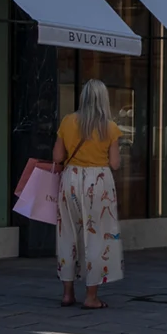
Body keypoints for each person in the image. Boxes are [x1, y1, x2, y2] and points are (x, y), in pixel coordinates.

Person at [54, 79, 123, 308]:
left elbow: (57, 157)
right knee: (96, 237)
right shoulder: (110, 128)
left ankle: (67, 293)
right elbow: (114, 163)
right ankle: (91, 296)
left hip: (70, 179)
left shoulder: (67, 121)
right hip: (98, 182)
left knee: (67, 234)